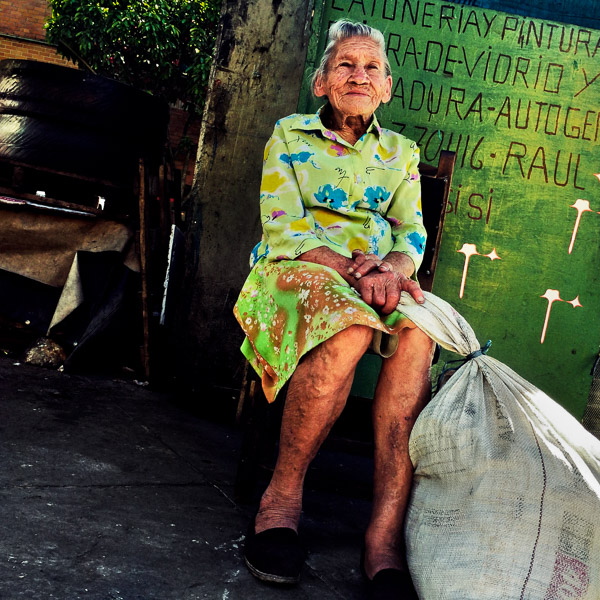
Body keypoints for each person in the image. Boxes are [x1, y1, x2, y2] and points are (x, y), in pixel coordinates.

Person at [234, 19, 434, 600]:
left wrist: (392, 272)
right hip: (297, 269)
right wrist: (354, 270)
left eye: (372, 68)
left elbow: (410, 234)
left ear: (387, 89)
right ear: (321, 82)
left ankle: (384, 538)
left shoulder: (401, 154)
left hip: (375, 280)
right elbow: (283, 226)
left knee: (420, 333)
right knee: (347, 329)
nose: (359, 76)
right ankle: (281, 501)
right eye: (345, 64)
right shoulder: (289, 137)